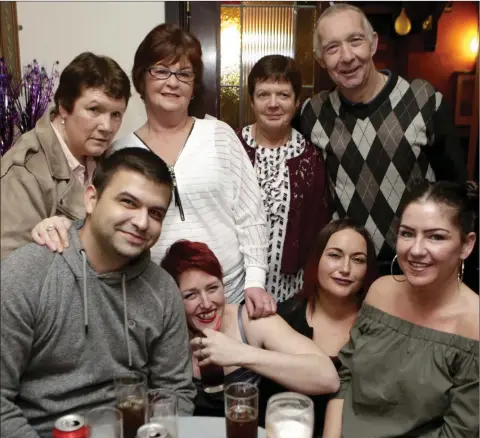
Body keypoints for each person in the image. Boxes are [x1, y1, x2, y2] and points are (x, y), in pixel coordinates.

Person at [32, 23, 275, 318]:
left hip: (228, 294)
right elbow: (97, 222)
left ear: (194, 84)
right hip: (151, 301)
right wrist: (55, 225)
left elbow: (251, 214)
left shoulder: (219, 135)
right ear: (142, 78)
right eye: (161, 70)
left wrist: (255, 282)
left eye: (184, 73)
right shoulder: (117, 151)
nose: (173, 82)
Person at [0, 147, 196, 438]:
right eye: (128, 202)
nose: (142, 222)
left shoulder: (162, 290)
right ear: (91, 199)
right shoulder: (28, 274)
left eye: (155, 213)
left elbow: (175, 393)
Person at [300, 3, 468, 273]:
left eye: (355, 41)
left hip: (418, 265)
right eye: (332, 48)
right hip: (350, 270)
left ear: (373, 43)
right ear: (321, 60)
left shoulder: (424, 101)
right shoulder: (313, 113)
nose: (347, 56)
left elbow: (457, 192)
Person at [319, 181, 479, 438]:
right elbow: (346, 376)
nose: (416, 250)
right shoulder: (381, 290)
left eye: (436, 237)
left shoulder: (474, 324)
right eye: (407, 234)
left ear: (466, 245)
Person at [160, 239, 340, 417]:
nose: (206, 303)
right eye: (191, 295)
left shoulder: (249, 320)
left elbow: (328, 377)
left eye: (213, 288)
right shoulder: (166, 336)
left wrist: (239, 353)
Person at [1, 51, 131, 259]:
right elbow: (12, 274)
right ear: (63, 107)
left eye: (116, 114)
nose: (107, 127)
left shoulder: (107, 157)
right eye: (94, 110)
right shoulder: (23, 170)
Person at [258, 219, 377, 438]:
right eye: (335, 255)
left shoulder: (377, 328)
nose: (345, 268)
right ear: (316, 260)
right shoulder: (282, 318)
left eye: (358, 259)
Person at [236, 55, 329, 303]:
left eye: (283, 95)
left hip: (292, 291)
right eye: (264, 94)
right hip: (236, 286)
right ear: (252, 101)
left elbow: (317, 227)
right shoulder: (232, 147)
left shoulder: (310, 157)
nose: (273, 104)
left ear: (297, 102)